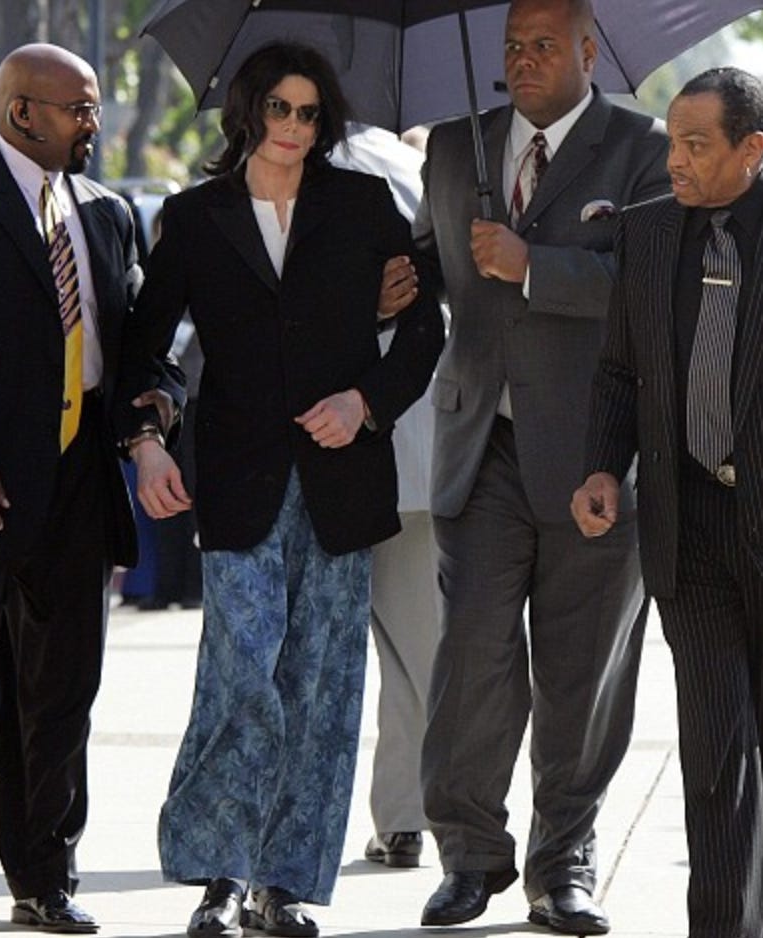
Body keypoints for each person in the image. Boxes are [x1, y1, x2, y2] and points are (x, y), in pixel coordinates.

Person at [127, 41, 443, 938]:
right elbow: (148, 348)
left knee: (319, 685)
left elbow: (423, 326)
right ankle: (217, 876)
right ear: (249, 110)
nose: (294, 129)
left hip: (342, 478)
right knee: (241, 678)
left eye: (310, 114)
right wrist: (148, 442)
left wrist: (367, 402)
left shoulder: (363, 202)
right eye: (279, 110)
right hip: (236, 481)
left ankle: (283, 886)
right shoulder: (194, 217)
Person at [381, 0, 670, 931]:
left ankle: (563, 864)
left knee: (583, 672)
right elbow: (436, 262)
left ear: (591, 52)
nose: (523, 59)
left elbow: (653, 284)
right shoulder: (457, 147)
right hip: (479, 445)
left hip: (597, 449)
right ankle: (468, 855)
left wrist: (535, 263)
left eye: (545, 44)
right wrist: (406, 277)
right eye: (513, 45)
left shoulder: (644, 146)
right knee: (470, 656)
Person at [0, 43, 184, 931]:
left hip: (83, 484)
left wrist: (155, 409)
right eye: (79, 108)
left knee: (64, 692)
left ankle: (46, 876)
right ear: (20, 113)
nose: (94, 124)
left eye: (96, 108)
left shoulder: (106, 211)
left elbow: (139, 345)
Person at [572, 66, 763, 938]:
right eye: (670, 143)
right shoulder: (647, 236)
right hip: (690, 530)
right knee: (713, 755)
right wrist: (603, 468)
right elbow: (619, 371)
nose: (675, 162)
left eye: (696, 146)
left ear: (751, 152)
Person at [332, 123, 441, 868]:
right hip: (418, 446)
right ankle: (404, 815)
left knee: (306, 658)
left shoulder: (284, 167)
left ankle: (285, 830)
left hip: (335, 448)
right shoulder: (418, 167)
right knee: (420, 649)